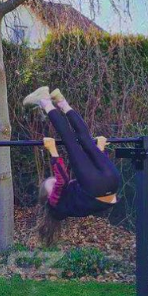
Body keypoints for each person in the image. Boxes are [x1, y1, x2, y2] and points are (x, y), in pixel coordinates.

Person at [24, 86, 121, 244]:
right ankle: (46, 101)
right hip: (97, 188)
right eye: (53, 185)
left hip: (113, 182)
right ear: (49, 196)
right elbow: (62, 179)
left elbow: (93, 175)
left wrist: (100, 149)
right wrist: (53, 150)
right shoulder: (54, 202)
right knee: (73, 140)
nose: (56, 182)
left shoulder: (68, 203)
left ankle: (60, 101)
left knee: (85, 140)